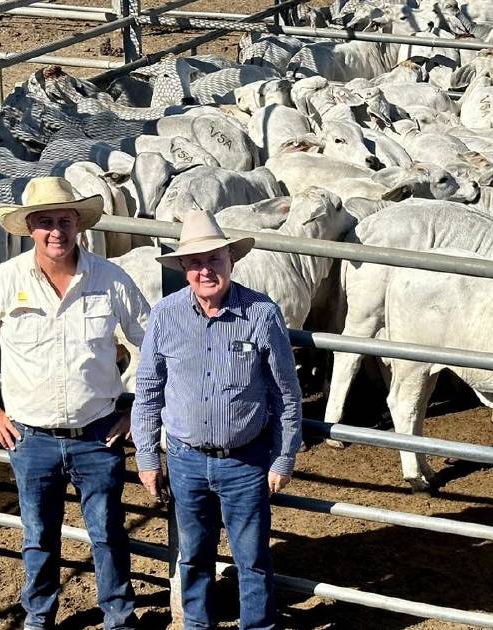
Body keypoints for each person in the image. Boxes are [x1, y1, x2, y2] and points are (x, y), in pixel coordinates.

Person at [0, 177, 148, 630]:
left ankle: (119, 615)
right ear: (30, 229)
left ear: (78, 224)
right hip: (30, 435)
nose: (55, 231)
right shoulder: (3, 281)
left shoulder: (111, 279)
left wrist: (135, 406)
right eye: (44, 223)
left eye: (63, 220)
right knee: (39, 536)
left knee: (108, 532)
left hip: (99, 433)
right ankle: (39, 615)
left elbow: (152, 345)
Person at [131, 210, 303, 630]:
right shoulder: (166, 314)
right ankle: (196, 625)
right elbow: (149, 389)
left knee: (252, 558)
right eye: (195, 263)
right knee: (192, 555)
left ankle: (258, 626)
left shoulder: (261, 314)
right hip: (186, 460)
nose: (205, 270)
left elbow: (287, 394)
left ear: (231, 260)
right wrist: (148, 456)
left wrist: (283, 459)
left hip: (245, 460)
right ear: (184, 268)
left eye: (214, 260)